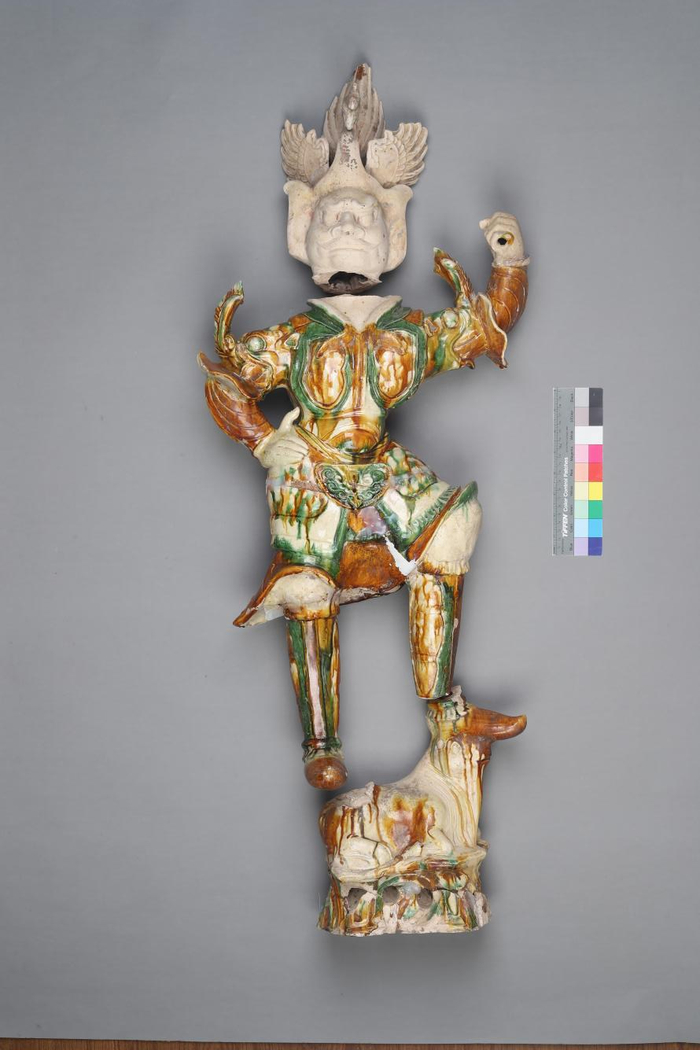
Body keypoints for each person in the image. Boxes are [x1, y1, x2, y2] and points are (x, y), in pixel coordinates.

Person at [199, 66, 528, 789]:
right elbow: (225, 380)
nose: (348, 225)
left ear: (391, 239)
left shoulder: (405, 333)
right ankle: (321, 742)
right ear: (304, 235)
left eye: (364, 217)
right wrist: (265, 440)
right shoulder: (293, 337)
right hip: (311, 479)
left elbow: (483, 328)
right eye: (333, 217)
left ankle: (445, 711)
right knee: (307, 591)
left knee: (454, 528)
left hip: (385, 473)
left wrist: (509, 259)